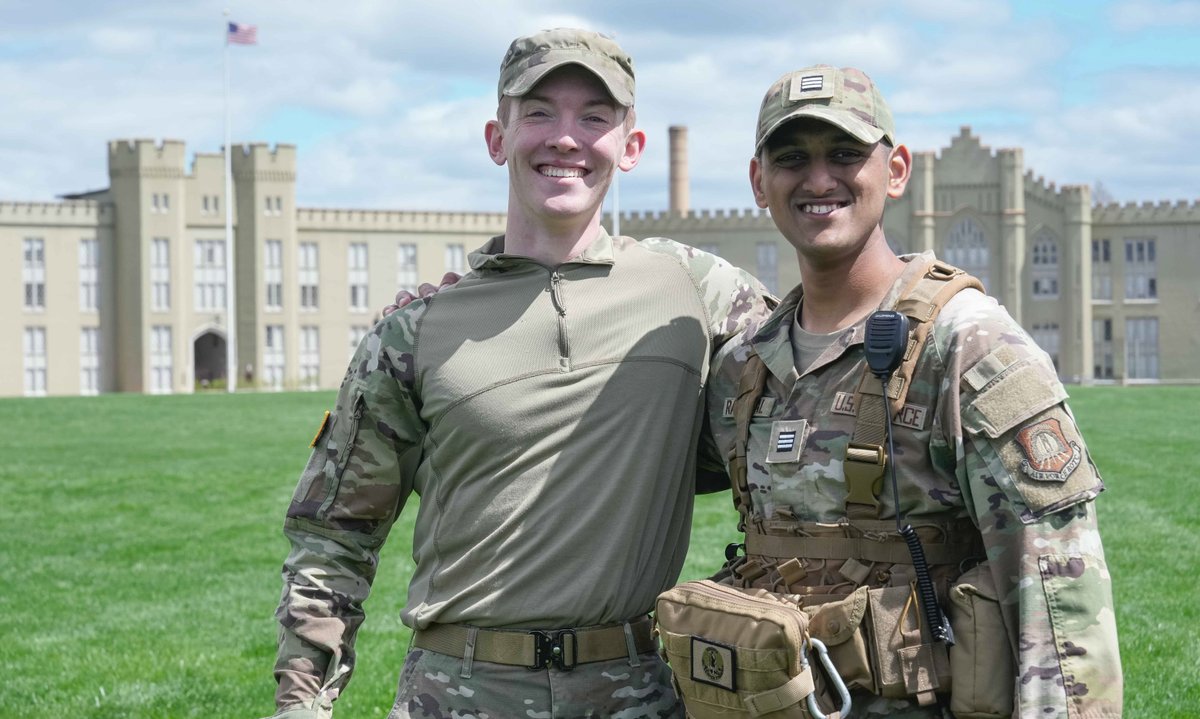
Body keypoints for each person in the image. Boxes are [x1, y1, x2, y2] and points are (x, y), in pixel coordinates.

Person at [268, 28, 770, 719]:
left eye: (594, 116)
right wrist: (302, 701)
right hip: (456, 692)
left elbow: (812, 374)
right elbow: (333, 537)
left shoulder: (697, 292)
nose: (565, 137)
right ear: (497, 137)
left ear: (631, 146)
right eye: (538, 111)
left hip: (634, 693)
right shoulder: (415, 331)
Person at [704, 65, 1123, 717]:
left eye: (844, 153)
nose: (818, 180)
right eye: (792, 158)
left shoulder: (969, 345)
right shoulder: (745, 367)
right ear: (760, 181)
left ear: (895, 170)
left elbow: (1061, 602)